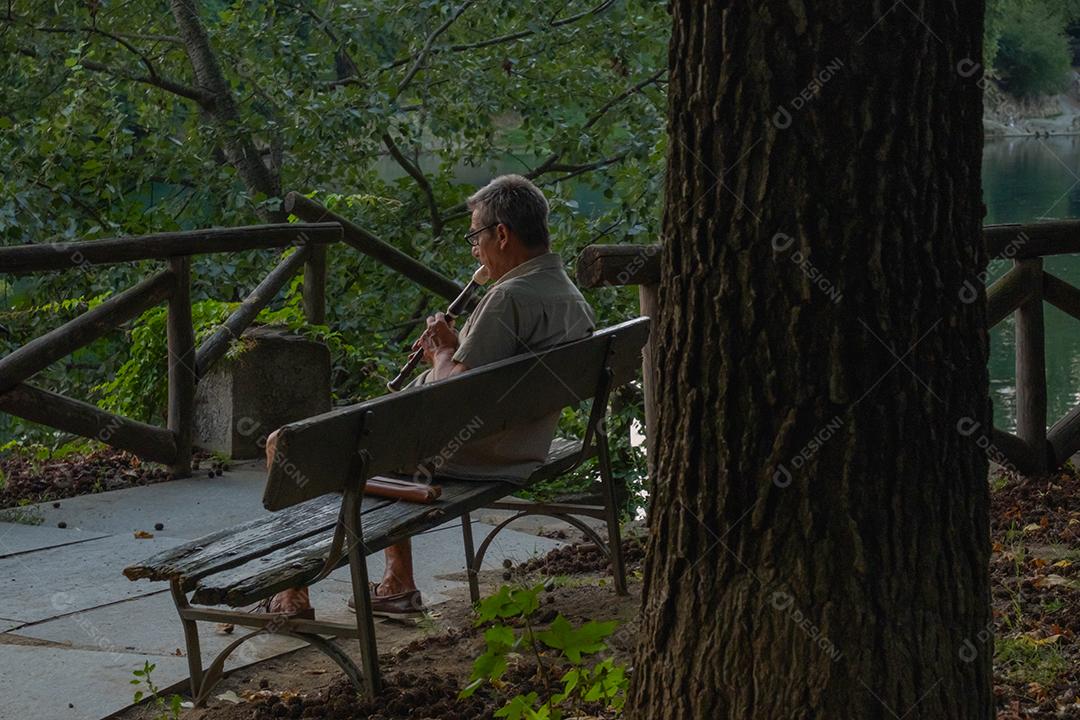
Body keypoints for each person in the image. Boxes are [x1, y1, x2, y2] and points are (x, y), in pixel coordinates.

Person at [262, 174, 595, 621]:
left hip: (471, 450)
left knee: (287, 446)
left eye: (475, 236)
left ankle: (290, 592)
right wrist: (452, 352)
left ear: (501, 234)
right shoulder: (568, 293)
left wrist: (440, 352)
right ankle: (396, 584)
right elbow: (479, 379)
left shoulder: (508, 297)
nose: (474, 250)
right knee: (368, 435)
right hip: (521, 444)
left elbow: (451, 397)